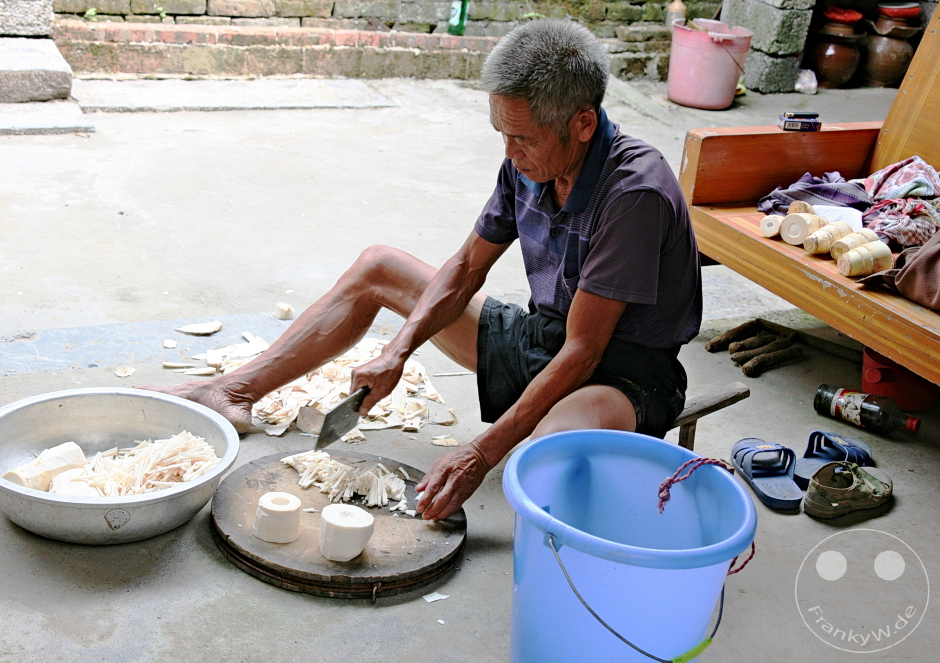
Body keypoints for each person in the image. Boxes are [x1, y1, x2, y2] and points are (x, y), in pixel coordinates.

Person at [143, 18, 701, 522]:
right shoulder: (529, 162)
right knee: (379, 266)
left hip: (621, 373)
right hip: (545, 337)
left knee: (546, 460)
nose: (509, 152)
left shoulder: (635, 193)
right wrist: (398, 350)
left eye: (523, 138)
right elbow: (466, 267)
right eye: (502, 133)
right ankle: (235, 390)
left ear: (583, 123)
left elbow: (584, 352)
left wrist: (479, 453)